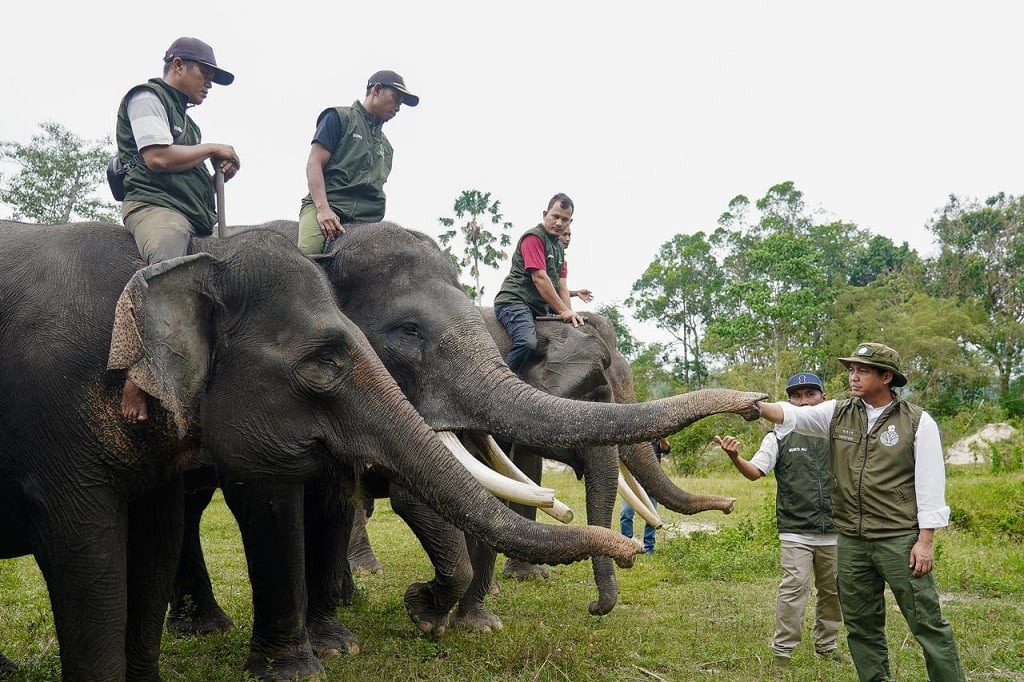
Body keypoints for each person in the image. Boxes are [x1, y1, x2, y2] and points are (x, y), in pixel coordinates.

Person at [756, 343, 965, 682]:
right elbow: (793, 414)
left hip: (898, 539)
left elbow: (930, 486)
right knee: (861, 626)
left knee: (927, 622)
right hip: (850, 541)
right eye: (851, 370)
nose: (853, 377)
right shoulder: (837, 413)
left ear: (886, 377)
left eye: (863, 371)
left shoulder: (917, 422)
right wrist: (751, 405)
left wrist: (924, 541)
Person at [115, 36, 240, 422]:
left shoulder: (189, 123)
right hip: (157, 209)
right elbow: (157, 156)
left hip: (192, 214)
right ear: (178, 65)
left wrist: (216, 169)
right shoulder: (147, 97)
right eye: (206, 73)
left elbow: (182, 163)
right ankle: (136, 375)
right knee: (170, 270)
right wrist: (212, 150)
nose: (209, 84)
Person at [714, 373, 843, 668]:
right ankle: (783, 651)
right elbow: (755, 472)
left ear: (824, 397)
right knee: (794, 587)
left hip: (836, 530)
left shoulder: (838, 432)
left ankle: (827, 645)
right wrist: (735, 458)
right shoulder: (778, 435)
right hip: (796, 529)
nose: (803, 401)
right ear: (787, 401)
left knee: (834, 591)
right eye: (796, 396)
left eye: (810, 394)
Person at [297, 70, 419, 255]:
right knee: (310, 257)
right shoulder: (338, 118)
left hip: (368, 220)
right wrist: (323, 210)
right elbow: (314, 164)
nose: (398, 108)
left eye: (401, 104)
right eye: (395, 99)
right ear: (376, 90)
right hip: (329, 206)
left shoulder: (387, 148)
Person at [493, 193, 584, 375]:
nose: (559, 223)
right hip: (515, 301)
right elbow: (540, 278)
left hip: (537, 307)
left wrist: (570, 313)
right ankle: (497, 385)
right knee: (527, 342)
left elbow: (561, 287)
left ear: (570, 222)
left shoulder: (558, 248)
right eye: (555, 216)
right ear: (545, 214)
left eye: (564, 219)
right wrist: (563, 311)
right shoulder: (534, 238)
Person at [619, 437, 670, 553]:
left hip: (652, 483)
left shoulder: (656, 439)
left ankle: (649, 547)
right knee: (626, 513)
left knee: (651, 515)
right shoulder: (632, 439)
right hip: (633, 482)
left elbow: (667, 448)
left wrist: (661, 436)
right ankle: (627, 544)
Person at [558, 228, 593, 303]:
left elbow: (560, 289)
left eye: (569, 235)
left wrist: (577, 293)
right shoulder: (547, 255)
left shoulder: (563, 261)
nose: (567, 239)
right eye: (564, 235)